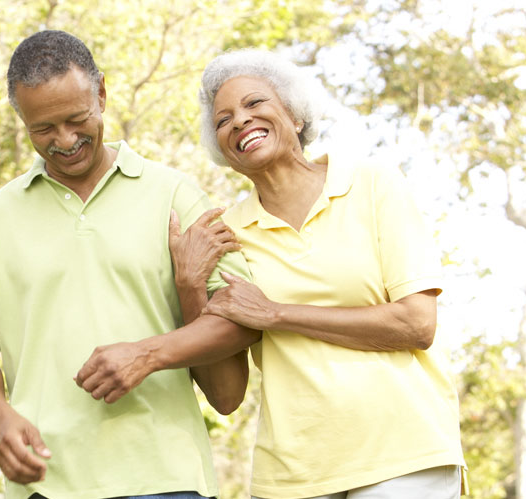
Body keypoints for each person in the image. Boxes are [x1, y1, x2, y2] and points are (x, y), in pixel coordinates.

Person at [0, 30, 257, 499]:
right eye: (43, 129)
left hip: (165, 479)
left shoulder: (173, 195)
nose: (65, 140)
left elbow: (241, 318)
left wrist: (148, 354)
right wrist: (0, 418)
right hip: (45, 483)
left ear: (102, 95)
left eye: (77, 119)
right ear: (22, 119)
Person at [170, 48, 467, 498]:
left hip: (404, 455)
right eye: (223, 120)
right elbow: (226, 397)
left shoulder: (372, 183)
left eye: (254, 103)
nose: (240, 121)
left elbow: (416, 324)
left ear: (296, 116)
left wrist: (276, 314)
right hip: (294, 475)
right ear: (223, 151)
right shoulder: (227, 234)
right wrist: (190, 285)